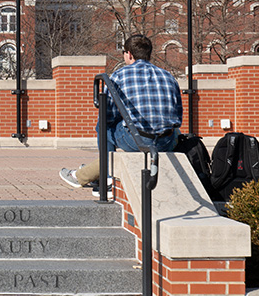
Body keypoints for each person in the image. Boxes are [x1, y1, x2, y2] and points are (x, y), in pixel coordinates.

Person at [60, 34, 183, 188]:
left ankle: (108, 177)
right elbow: (178, 118)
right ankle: (99, 172)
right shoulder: (168, 76)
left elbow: (108, 116)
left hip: (137, 140)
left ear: (129, 54)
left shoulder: (119, 75)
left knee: (102, 126)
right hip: (165, 141)